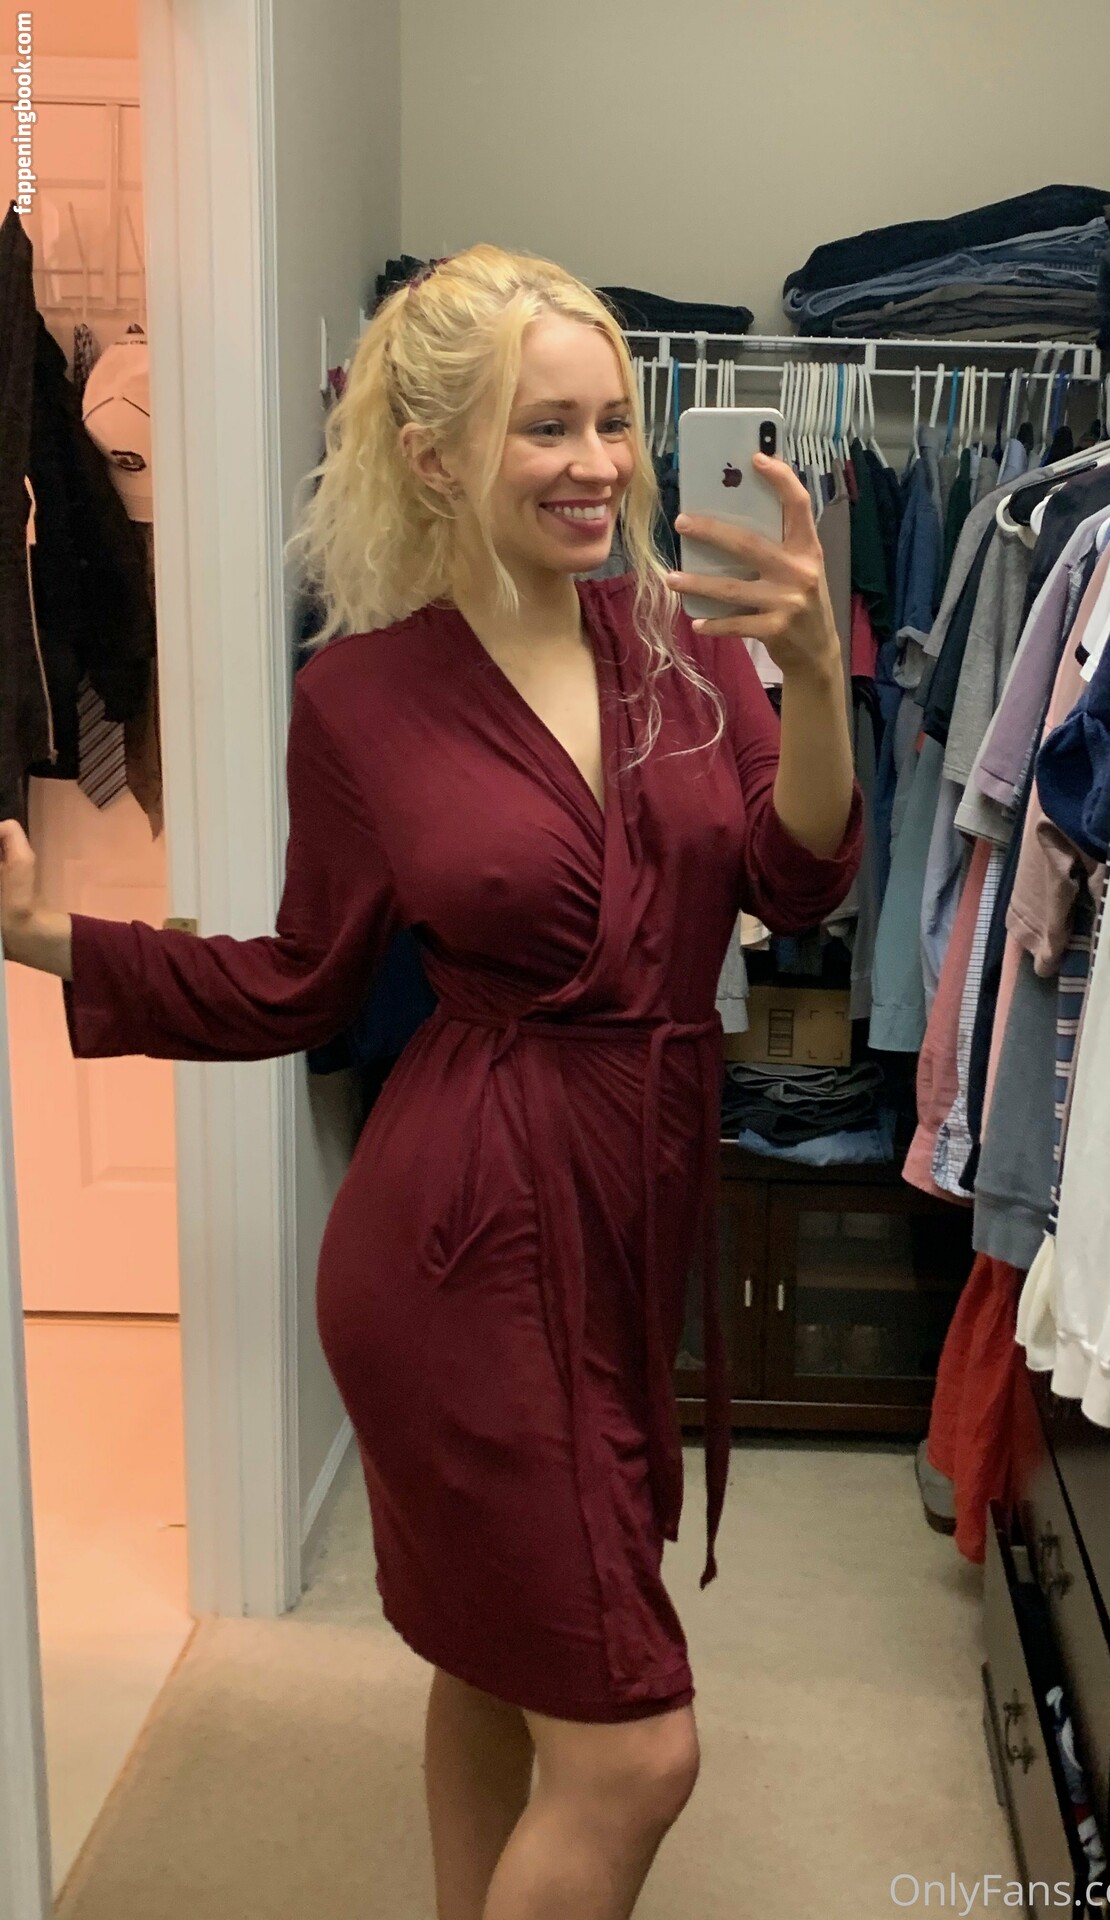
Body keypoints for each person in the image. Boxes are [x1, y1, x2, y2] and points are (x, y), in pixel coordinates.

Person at [0, 244, 860, 1919]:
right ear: (434, 453)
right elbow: (299, 980)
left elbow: (799, 877)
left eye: (614, 421)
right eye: (548, 427)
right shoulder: (362, 699)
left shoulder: (689, 644)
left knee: (497, 1656)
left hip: (634, 1204)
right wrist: (61, 944)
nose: (598, 464)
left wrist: (816, 677)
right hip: (458, 1235)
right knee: (636, 1752)